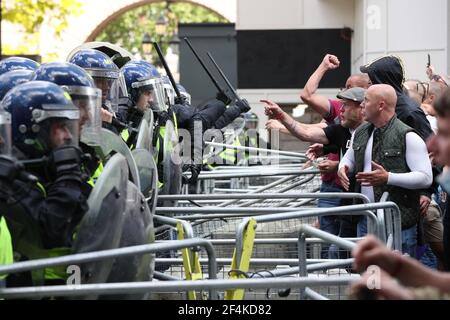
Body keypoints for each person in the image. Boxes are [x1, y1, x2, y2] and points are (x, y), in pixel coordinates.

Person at [1, 81, 90, 284]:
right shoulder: (9, 179)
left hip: (65, 285)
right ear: (32, 131)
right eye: (60, 127)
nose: (68, 135)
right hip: (31, 289)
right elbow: (51, 229)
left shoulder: (43, 167)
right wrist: (68, 176)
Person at [338, 84, 433, 256]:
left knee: (399, 278)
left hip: (398, 221)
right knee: (370, 276)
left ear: (381, 105)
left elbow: (426, 178)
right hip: (366, 218)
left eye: (366, 100)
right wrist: (342, 167)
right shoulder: (360, 132)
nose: (361, 105)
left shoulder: (408, 136)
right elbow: (349, 157)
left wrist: (388, 177)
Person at [68, 48, 126, 134]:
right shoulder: (69, 118)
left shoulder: (104, 110)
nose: (107, 87)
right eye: (100, 81)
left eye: (108, 81)